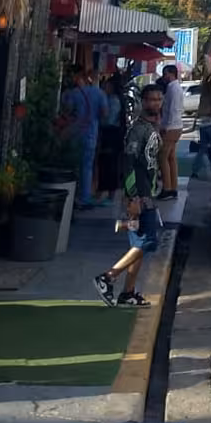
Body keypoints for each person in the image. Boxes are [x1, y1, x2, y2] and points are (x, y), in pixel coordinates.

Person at [95, 85, 163, 308]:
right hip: (141, 195)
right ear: (143, 102)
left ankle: (128, 292)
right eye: (151, 99)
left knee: (138, 246)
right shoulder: (138, 130)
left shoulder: (153, 128)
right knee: (148, 241)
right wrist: (134, 197)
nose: (155, 103)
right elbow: (129, 163)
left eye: (158, 99)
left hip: (149, 192)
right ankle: (108, 276)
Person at [62, 68, 108, 209]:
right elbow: (105, 114)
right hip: (91, 133)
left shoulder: (74, 93)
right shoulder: (100, 94)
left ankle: (69, 194)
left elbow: (67, 110)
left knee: (71, 164)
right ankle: (84, 197)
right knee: (87, 166)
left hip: (74, 133)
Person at [158, 63, 185, 200]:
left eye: (165, 73)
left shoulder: (172, 88)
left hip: (172, 127)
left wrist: (165, 127)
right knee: (171, 157)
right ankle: (173, 187)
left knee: (163, 157)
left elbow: (172, 111)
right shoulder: (176, 88)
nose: (164, 76)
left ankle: (167, 188)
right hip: (176, 126)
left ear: (171, 74)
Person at [97, 72, 125, 198]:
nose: (104, 88)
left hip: (111, 134)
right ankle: (107, 191)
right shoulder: (114, 99)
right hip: (112, 134)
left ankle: (107, 191)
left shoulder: (113, 100)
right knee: (108, 163)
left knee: (108, 164)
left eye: (106, 86)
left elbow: (108, 119)